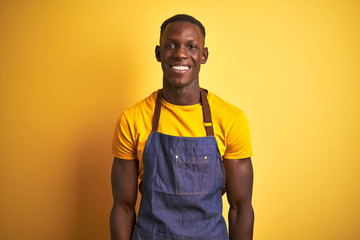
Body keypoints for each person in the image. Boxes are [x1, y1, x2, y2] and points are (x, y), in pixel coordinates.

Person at [110, 14, 254, 240]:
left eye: (192, 46)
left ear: (203, 55)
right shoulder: (132, 119)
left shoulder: (231, 119)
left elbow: (241, 208)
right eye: (171, 45)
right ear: (158, 53)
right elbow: (123, 206)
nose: (180, 53)